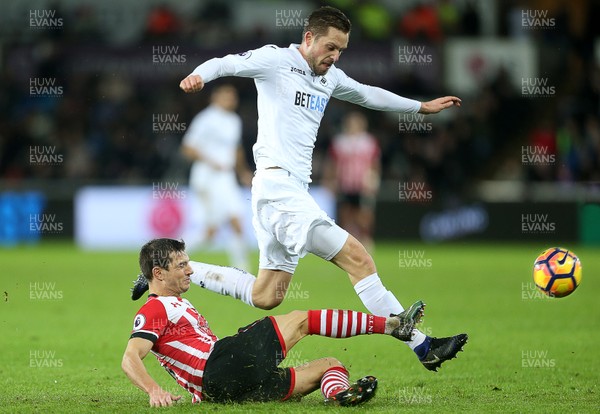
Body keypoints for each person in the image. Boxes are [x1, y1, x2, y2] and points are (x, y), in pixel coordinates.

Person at [132, 6, 466, 372]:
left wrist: (421, 107)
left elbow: (368, 94)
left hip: (285, 192)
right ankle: (421, 344)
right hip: (278, 188)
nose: (334, 56)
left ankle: (184, 267)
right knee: (359, 258)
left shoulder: (331, 77)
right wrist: (198, 75)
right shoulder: (275, 60)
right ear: (309, 38)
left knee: (266, 296)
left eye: (341, 50)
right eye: (330, 47)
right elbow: (225, 63)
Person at [122, 238, 427, 407]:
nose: (190, 270)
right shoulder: (156, 308)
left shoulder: (172, 304)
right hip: (220, 365)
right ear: (158, 274)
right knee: (301, 320)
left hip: (223, 390)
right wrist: (153, 390)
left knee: (330, 365)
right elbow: (130, 357)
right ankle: (391, 326)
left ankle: (337, 395)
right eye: (182, 265)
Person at [180, 84, 251, 270]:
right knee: (216, 229)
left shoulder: (234, 120)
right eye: (227, 96)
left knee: (229, 224)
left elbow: (236, 149)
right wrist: (210, 161)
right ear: (215, 98)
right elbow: (187, 148)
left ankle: (242, 269)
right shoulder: (206, 119)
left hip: (226, 178)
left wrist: (243, 171)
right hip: (207, 178)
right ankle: (170, 254)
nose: (232, 100)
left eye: (233, 96)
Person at [325, 111, 381, 251]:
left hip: (363, 184)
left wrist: (374, 178)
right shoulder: (340, 142)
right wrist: (330, 180)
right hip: (345, 183)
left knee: (364, 214)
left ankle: (366, 239)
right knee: (346, 213)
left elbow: (374, 162)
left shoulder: (368, 141)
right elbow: (332, 163)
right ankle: (346, 241)